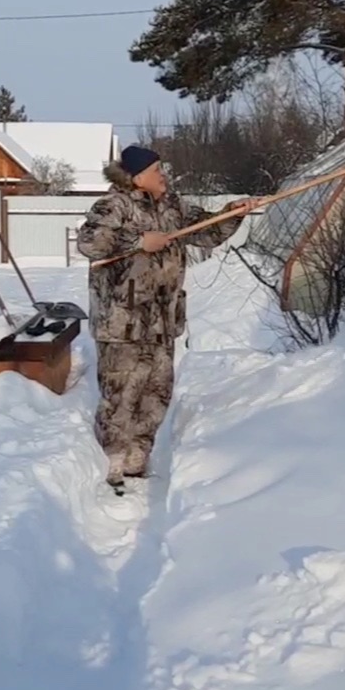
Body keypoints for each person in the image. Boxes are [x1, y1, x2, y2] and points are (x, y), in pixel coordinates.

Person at [77, 144, 254, 488]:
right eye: (157, 170)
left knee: (156, 390)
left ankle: (138, 457)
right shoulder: (113, 205)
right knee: (121, 392)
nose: (164, 176)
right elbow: (91, 242)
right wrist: (138, 241)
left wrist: (234, 213)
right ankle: (111, 461)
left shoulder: (173, 206)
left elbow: (206, 230)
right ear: (138, 177)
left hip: (161, 318)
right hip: (122, 320)